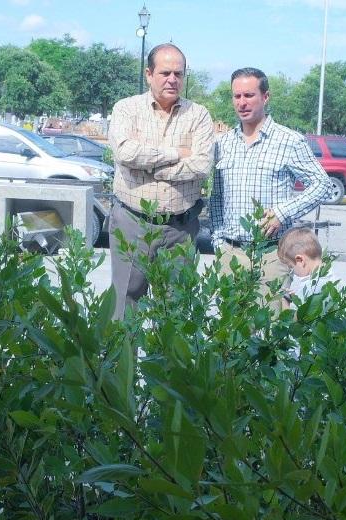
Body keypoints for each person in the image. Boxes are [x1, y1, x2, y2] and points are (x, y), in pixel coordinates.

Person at [107, 43, 215, 319]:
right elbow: (124, 152)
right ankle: (123, 363)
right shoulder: (126, 109)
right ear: (148, 74)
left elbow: (202, 164)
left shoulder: (199, 115)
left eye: (178, 74)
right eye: (165, 72)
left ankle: (168, 364)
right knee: (124, 307)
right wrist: (176, 154)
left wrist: (154, 168)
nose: (172, 80)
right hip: (133, 224)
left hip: (180, 229)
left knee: (176, 314)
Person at [209, 67, 332, 306]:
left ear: (265, 97)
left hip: (271, 257)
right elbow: (217, 197)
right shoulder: (223, 144)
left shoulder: (289, 141)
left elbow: (322, 184)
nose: (242, 103)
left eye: (249, 95)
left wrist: (282, 212)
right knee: (231, 338)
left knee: (269, 334)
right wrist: (218, 243)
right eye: (237, 96)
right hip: (230, 255)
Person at [277, 227, 338, 309]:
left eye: (291, 266)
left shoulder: (310, 287)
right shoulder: (331, 277)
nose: (292, 271)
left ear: (300, 260)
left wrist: (285, 300)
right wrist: (296, 297)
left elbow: (293, 320)